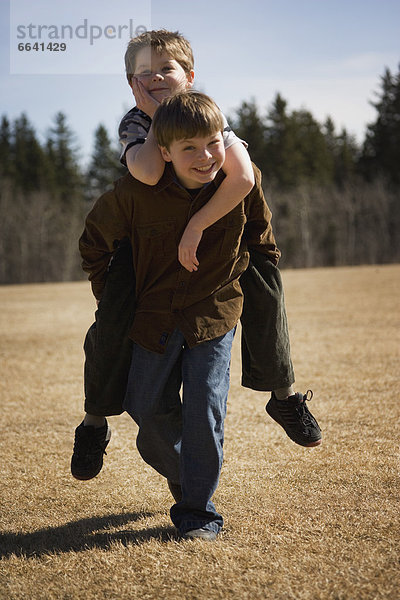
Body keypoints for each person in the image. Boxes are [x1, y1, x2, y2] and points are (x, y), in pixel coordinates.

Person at [71, 30, 321, 487]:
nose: (156, 78)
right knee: (111, 322)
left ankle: (283, 395)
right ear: (131, 85)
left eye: (166, 69)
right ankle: (93, 422)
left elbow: (242, 176)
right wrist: (155, 116)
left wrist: (198, 224)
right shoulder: (135, 122)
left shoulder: (209, 115)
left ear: (188, 76)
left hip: (216, 228)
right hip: (142, 239)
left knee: (263, 282)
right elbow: (147, 173)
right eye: (144, 74)